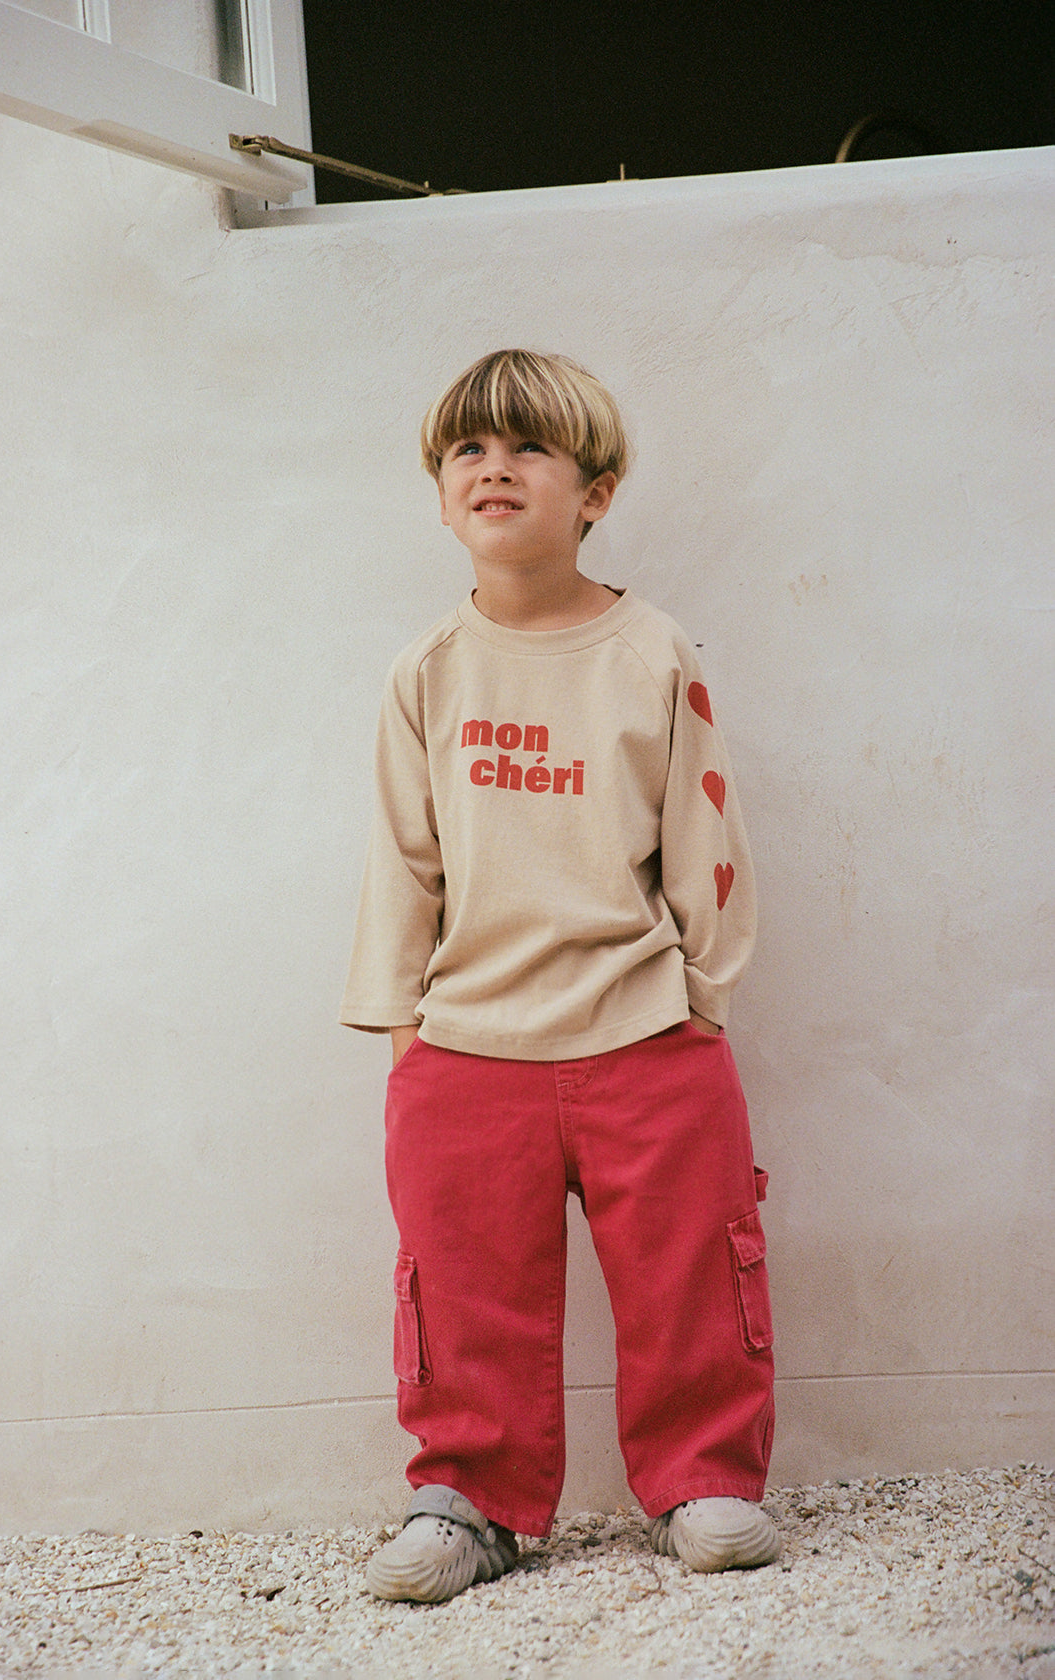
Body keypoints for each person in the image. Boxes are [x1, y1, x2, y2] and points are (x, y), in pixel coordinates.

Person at [340, 348, 779, 1603]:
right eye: (467, 451)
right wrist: (402, 1032)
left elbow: (707, 833)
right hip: (467, 1042)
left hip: (645, 1030)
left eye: (528, 447)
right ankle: (468, 1502)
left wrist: (702, 998)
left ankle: (705, 1481)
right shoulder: (427, 668)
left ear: (593, 492)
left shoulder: (650, 648)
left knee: (690, 1268)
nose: (495, 467)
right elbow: (402, 856)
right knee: (463, 1285)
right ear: (439, 496)